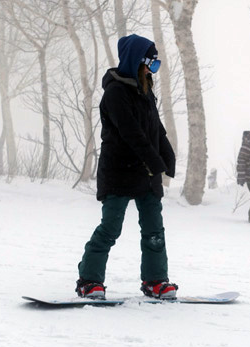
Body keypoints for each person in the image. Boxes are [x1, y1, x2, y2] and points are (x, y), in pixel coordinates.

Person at [75, 34, 178, 300]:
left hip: (146, 175)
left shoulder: (146, 90)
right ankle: (89, 280)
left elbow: (155, 128)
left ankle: (156, 281)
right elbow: (131, 133)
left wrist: (167, 154)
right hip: (119, 171)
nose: (152, 68)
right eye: (150, 63)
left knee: (154, 230)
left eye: (155, 64)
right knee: (110, 228)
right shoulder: (115, 93)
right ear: (135, 60)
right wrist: (155, 161)